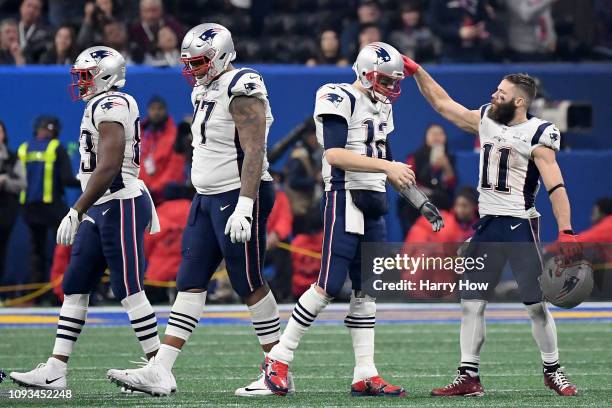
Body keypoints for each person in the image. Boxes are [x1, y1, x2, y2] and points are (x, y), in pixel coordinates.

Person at [106, 23, 289, 397]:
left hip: (238, 195)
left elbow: (254, 150)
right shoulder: (205, 88)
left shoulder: (243, 85)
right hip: (206, 197)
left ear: (222, 55)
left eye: (200, 61)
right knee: (189, 279)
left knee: (248, 282)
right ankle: (161, 370)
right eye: (189, 62)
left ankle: (278, 370)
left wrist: (245, 205)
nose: (193, 69)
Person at [403, 55, 580, 396]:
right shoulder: (486, 118)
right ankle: (468, 376)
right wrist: (417, 71)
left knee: (535, 305)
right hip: (487, 227)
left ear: (519, 101)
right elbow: (443, 105)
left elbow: (556, 185)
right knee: (471, 302)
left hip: (519, 226)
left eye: (501, 92)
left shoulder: (538, 132)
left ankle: (553, 370)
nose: (494, 95)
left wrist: (567, 229)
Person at [263, 42, 420, 397]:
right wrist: (387, 167)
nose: (391, 87)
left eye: (395, 81)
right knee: (328, 285)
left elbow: (387, 160)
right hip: (345, 198)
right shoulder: (337, 95)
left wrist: (417, 198)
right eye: (384, 79)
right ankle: (278, 357)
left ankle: (365, 372)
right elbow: (334, 154)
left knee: (367, 289)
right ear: (365, 73)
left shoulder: (382, 108)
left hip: (374, 200)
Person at [10, 46, 162, 391]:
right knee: (75, 283)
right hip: (102, 205)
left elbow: (108, 166)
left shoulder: (111, 104)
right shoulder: (101, 104)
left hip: (120, 202)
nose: (80, 82)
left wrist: (75, 208)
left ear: (105, 75)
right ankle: (55, 368)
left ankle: (158, 367)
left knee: (128, 288)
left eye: (85, 75)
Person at [18, 116, 80, 302]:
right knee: (60, 251)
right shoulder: (56, 148)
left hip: (28, 209)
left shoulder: (23, 149)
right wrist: (89, 181)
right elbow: (68, 179)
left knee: (35, 251)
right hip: (52, 209)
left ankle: (35, 295)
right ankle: (56, 292)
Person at [397, 123, 456, 236]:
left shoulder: (450, 158)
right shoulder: (415, 157)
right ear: (426, 137)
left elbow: (451, 184)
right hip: (418, 201)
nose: (437, 137)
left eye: (440, 134)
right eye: (433, 134)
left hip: (441, 200)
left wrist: (446, 166)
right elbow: (408, 182)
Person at [138, 95, 185, 204]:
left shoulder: (175, 136)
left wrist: (154, 189)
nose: (156, 112)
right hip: (141, 194)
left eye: (160, 108)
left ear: (166, 111)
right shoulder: (140, 135)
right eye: (153, 109)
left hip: (163, 197)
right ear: (148, 111)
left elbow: (174, 170)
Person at [0, 121, 27, 287]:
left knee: (1, 250)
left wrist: (4, 181)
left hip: (5, 212)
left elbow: (22, 184)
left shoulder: (12, 157)